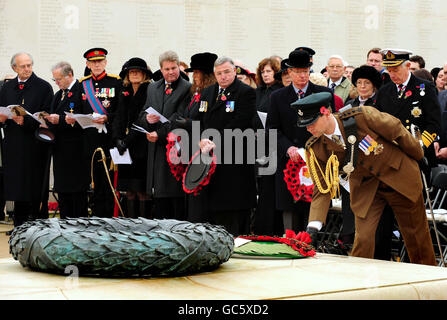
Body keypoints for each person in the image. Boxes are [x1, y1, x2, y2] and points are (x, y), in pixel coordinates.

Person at [300, 92, 436, 266]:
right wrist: (314, 226)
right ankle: (360, 283)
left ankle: (428, 283)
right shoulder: (316, 147)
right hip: (366, 189)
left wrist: (418, 155)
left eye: (312, 122)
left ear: (325, 112)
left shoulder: (362, 116)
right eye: (305, 125)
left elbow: (396, 130)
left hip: (398, 176)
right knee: (363, 239)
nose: (308, 128)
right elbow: (322, 187)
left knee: (416, 238)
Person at [375, 49, 441, 261]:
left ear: (407, 66)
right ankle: (383, 262)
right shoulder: (385, 92)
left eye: (395, 70)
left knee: (412, 220)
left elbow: (433, 123)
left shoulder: (425, 88)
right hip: (388, 163)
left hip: (415, 160)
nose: (392, 74)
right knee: (383, 220)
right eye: (389, 70)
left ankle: (413, 261)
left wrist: (419, 147)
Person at [266, 49, 334, 233]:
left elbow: (330, 126)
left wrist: (313, 149)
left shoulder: (323, 94)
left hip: (316, 160)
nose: (303, 76)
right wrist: (288, 148)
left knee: (314, 211)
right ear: (289, 72)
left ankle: (313, 246)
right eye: (298, 72)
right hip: (290, 162)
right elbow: (272, 128)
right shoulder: (277, 97)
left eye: (306, 71)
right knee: (291, 214)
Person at [197, 56, 257, 236]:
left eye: (226, 72)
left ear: (234, 72)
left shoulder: (245, 92)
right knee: (213, 211)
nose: (223, 77)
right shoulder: (208, 93)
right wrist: (201, 139)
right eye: (219, 73)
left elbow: (240, 122)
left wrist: (215, 139)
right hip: (210, 158)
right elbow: (200, 118)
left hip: (235, 158)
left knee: (234, 212)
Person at [136, 50, 191, 220]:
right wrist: (147, 119)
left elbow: (180, 118)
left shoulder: (187, 88)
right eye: (166, 69)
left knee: (175, 197)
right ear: (161, 70)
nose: (171, 72)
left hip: (176, 149)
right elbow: (142, 113)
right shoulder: (153, 87)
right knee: (159, 198)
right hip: (156, 151)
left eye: (174, 68)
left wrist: (159, 134)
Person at [0, 52, 53, 228]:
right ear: (14, 68)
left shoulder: (43, 87)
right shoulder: (7, 88)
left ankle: (39, 226)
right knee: (18, 188)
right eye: (23, 66)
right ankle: (19, 226)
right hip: (14, 145)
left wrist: (26, 120)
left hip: (35, 145)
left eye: (29, 65)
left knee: (35, 187)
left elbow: (47, 115)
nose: (27, 69)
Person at [340, 65, 382, 246]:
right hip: (351, 159)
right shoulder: (349, 106)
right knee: (349, 200)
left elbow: (379, 132)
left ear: (373, 86)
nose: (363, 86)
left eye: (367, 83)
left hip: (372, 157)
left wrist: (362, 148)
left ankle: (366, 240)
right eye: (359, 83)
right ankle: (348, 237)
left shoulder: (379, 105)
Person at [175, 51, 217, 223]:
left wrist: (188, 123)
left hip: (203, 150)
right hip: (191, 147)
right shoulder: (196, 93)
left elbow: (206, 120)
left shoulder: (210, 93)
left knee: (200, 198)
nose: (194, 77)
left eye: (197, 73)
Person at [80, 47, 122, 217]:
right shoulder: (83, 84)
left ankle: (109, 218)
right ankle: (96, 217)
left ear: (105, 62)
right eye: (93, 62)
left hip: (109, 139)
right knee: (95, 181)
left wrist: (107, 118)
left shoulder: (116, 82)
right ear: (87, 64)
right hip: (90, 140)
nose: (96, 65)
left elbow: (120, 111)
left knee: (109, 182)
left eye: (100, 61)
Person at [44, 61, 89, 218]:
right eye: (54, 80)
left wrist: (61, 120)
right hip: (60, 150)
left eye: (59, 79)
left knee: (76, 193)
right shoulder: (58, 94)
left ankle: (78, 226)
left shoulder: (82, 91)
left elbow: (86, 119)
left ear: (70, 75)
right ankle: (64, 225)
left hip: (76, 150)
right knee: (63, 190)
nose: (56, 83)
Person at [113, 57, 153, 219]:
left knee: (142, 190)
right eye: (131, 71)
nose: (134, 74)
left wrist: (127, 141)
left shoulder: (150, 90)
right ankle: (129, 225)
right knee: (128, 191)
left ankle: (143, 225)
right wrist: (117, 139)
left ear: (144, 74)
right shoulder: (125, 92)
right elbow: (118, 117)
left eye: (138, 71)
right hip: (124, 148)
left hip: (141, 146)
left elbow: (143, 119)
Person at [252, 57, 283, 236]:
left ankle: (271, 229)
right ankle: (260, 228)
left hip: (272, 145)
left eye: (269, 71)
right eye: (263, 71)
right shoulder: (259, 91)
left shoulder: (279, 91)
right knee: (261, 187)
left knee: (269, 189)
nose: (265, 75)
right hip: (257, 143)